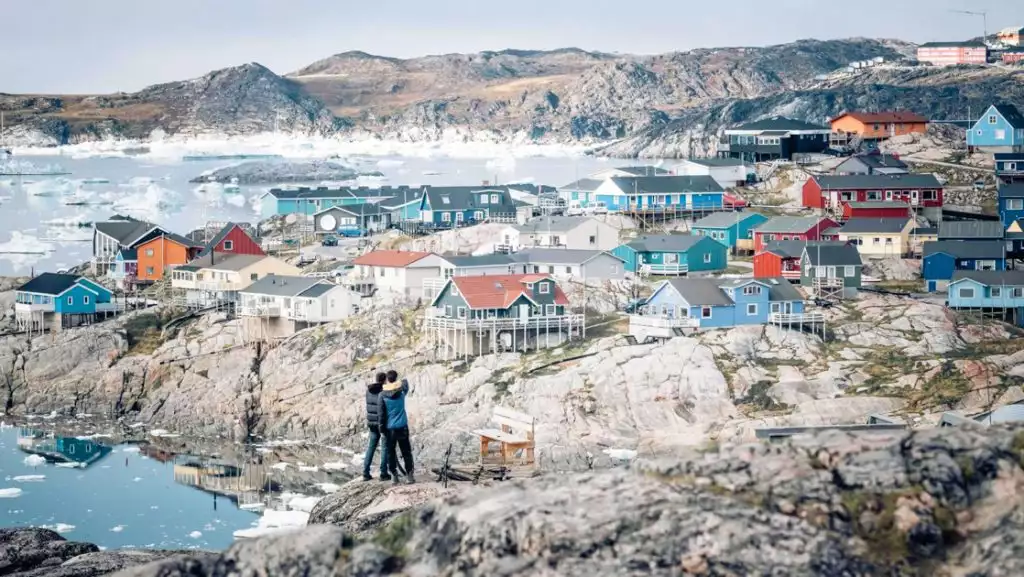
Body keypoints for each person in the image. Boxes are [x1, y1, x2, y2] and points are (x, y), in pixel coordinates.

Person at [378, 369, 414, 485]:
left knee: (390, 453)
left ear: (387, 380)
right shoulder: (402, 392)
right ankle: (410, 476)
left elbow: (381, 414)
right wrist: (398, 381)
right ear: (395, 379)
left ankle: (394, 476)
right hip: (402, 426)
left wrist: (382, 430)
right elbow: (405, 382)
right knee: (406, 452)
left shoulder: (382, 395)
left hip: (389, 429)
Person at [361, 372, 391, 482]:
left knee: (371, 447)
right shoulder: (384, 392)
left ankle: (365, 473)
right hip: (381, 424)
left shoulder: (368, 391)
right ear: (384, 380)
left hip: (371, 423)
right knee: (384, 448)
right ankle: (383, 473)